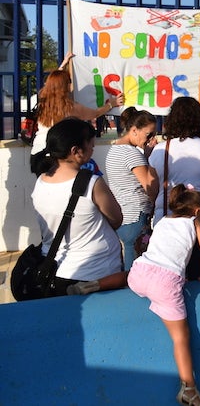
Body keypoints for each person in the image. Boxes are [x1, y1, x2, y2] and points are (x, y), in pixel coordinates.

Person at [127, 185, 200, 406]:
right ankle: (189, 389)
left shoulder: (163, 221)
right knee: (181, 337)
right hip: (164, 282)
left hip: (139, 273)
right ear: (196, 211)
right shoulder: (193, 222)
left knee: (131, 273)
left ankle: (94, 285)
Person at [31, 118, 126, 296]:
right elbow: (116, 219)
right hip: (95, 274)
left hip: (57, 270)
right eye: (90, 144)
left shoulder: (41, 181)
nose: (93, 148)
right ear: (76, 151)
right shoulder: (91, 183)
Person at [149, 97, 200, 280]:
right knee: (198, 276)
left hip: (166, 221)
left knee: (167, 277)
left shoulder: (159, 150)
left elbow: (152, 190)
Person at [31, 55, 124, 156]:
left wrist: (63, 65)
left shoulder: (44, 102)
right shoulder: (70, 107)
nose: (70, 85)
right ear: (65, 86)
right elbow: (95, 113)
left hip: (38, 151)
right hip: (57, 152)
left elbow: (54, 83)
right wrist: (111, 104)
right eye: (69, 82)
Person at [105, 107, 159, 270]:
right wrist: (152, 160)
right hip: (137, 216)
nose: (151, 139)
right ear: (134, 130)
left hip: (123, 215)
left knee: (129, 263)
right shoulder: (133, 154)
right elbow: (150, 187)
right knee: (137, 269)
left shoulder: (114, 149)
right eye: (148, 134)